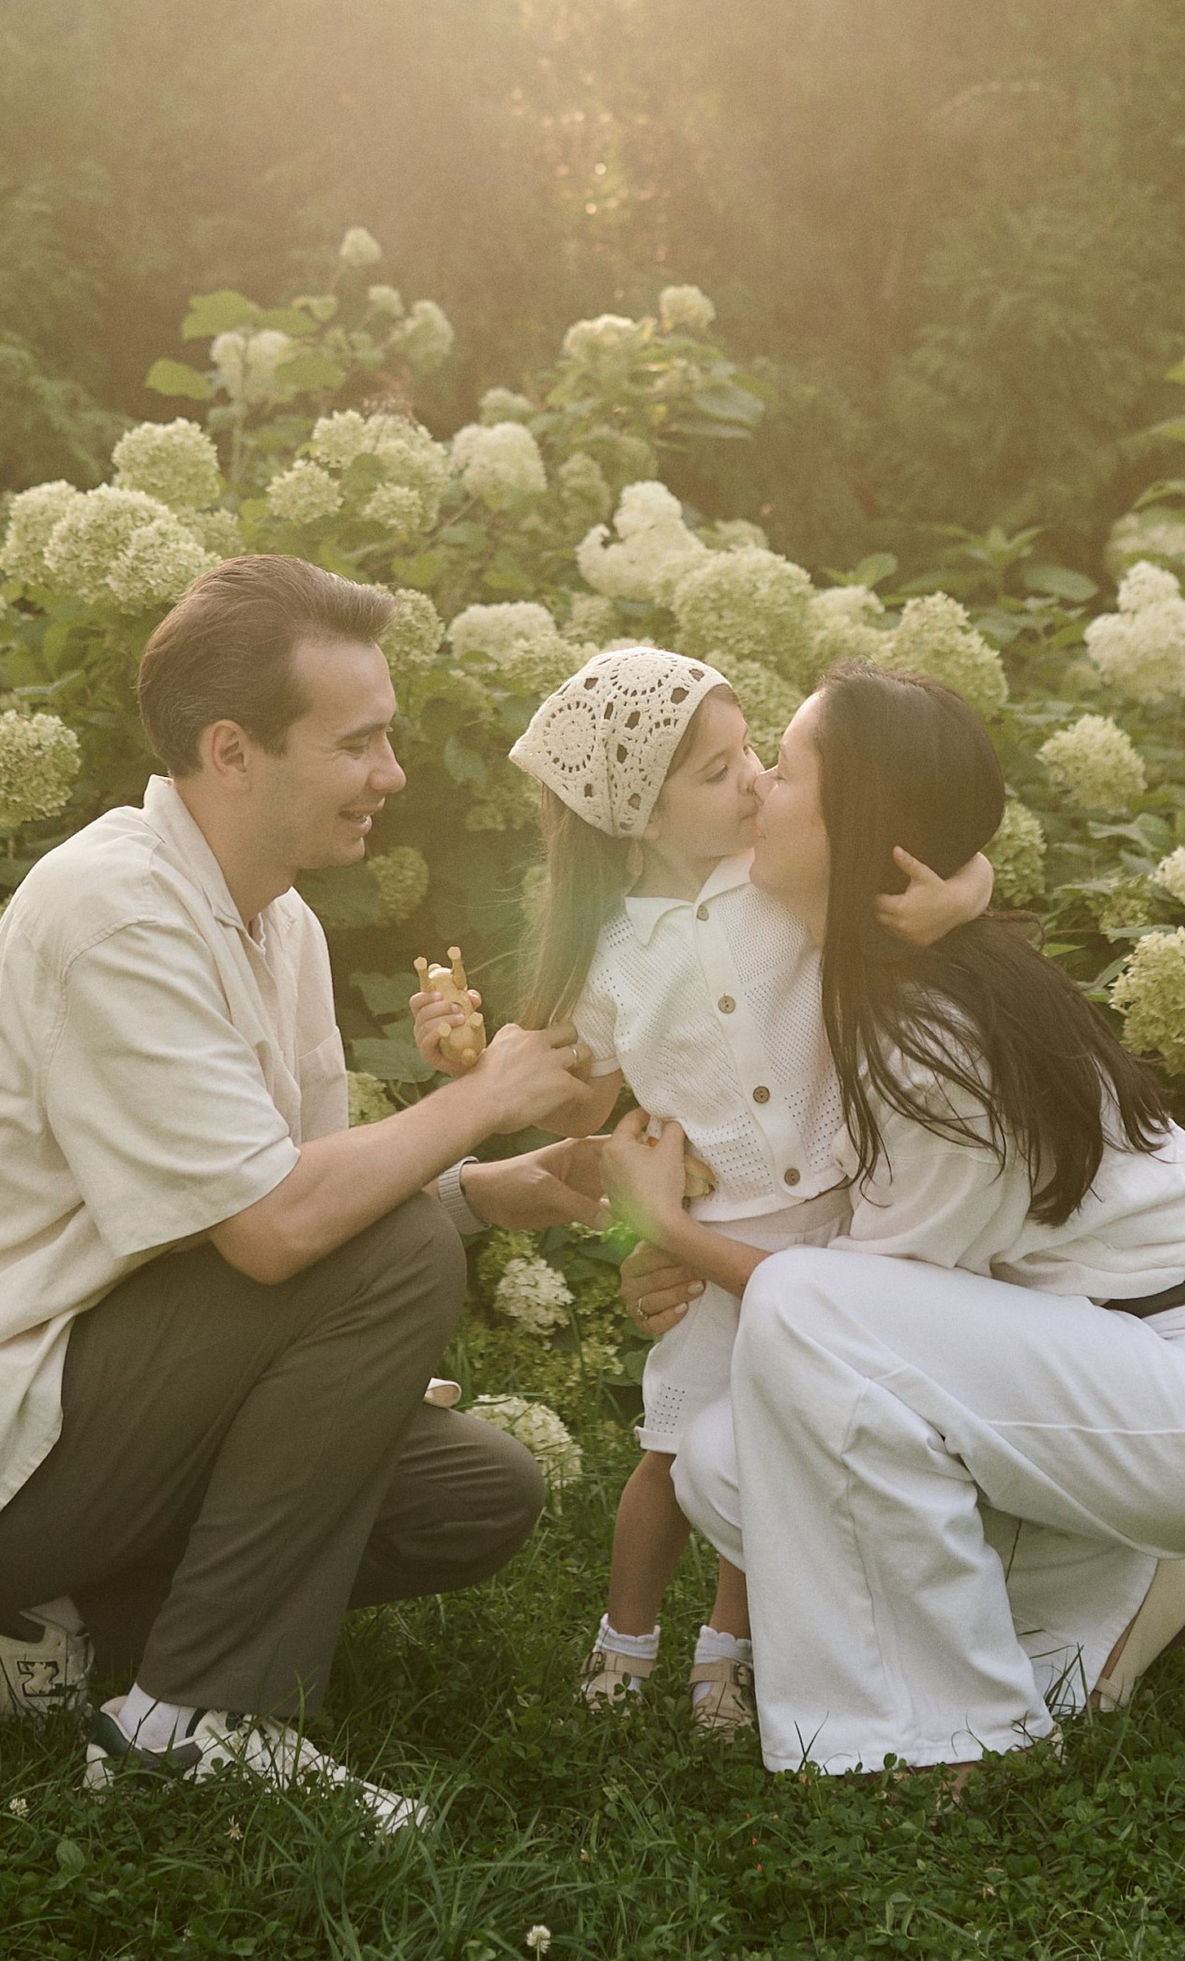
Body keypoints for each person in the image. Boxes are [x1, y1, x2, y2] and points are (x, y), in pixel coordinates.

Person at [0, 552, 596, 1831]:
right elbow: (282, 1228)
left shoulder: (271, 919)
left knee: (479, 1491)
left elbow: (307, 1201)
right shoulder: (116, 910)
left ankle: (50, 1634)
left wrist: (492, 1191)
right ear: (231, 750)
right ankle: (192, 1715)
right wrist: (480, 1097)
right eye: (359, 742)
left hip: (91, 1399)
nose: (391, 774)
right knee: (393, 1253)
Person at [606, 661, 1185, 1778]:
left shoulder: (930, 1035)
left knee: (798, 1335)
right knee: (723, 1459)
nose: (753, 789)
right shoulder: (872, 972)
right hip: (1096, 1370)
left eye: (783, 768)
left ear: (857, 827)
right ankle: (1110, 1594)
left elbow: (846, 1323)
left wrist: (677, 1234)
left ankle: (954, 1738)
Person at [414, 644, 994, 1734]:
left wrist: (969, 885)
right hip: (713, 1235)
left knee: (778, 1449)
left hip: (834, 1212)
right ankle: (623, 1640)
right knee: (673, 1448)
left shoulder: (777, 880)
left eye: (752, 755)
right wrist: (466, 1063)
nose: (755, 784)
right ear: (638, 813)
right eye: (719, 770)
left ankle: (725, 1648)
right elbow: (580, 1106)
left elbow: (916, 874)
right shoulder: (609, 957)